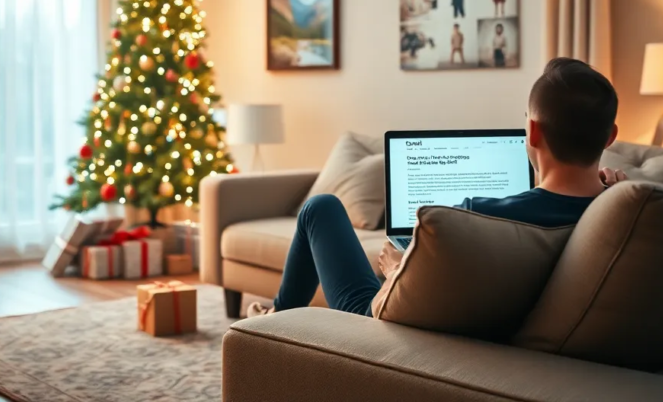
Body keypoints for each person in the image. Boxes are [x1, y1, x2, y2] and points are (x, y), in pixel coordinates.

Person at [248, 58, 622, 318]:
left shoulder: (475, 216)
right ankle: (275, 318)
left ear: (533, 132)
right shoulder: (620, 215)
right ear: (611, 137)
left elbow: (431, 297)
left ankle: (276, 320)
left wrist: (401, 269)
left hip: (386, 318)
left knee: (321, 208)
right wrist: (616, 190)